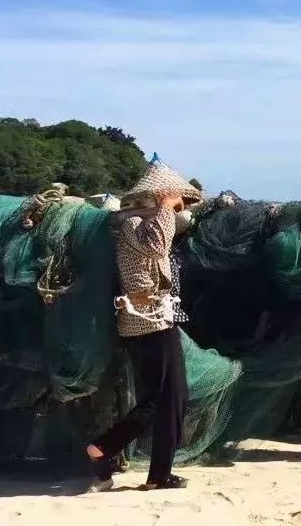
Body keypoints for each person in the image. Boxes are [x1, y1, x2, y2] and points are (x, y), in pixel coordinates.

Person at [86, 155, 202, 492]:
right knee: (163, 399)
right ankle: (104, 448)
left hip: (154, 318)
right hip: (146, 320)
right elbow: (156, 246)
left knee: (170, 398)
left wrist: (169, 209)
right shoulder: (133, 225)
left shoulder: (140, 224)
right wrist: (166, 206)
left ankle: (156, 474)